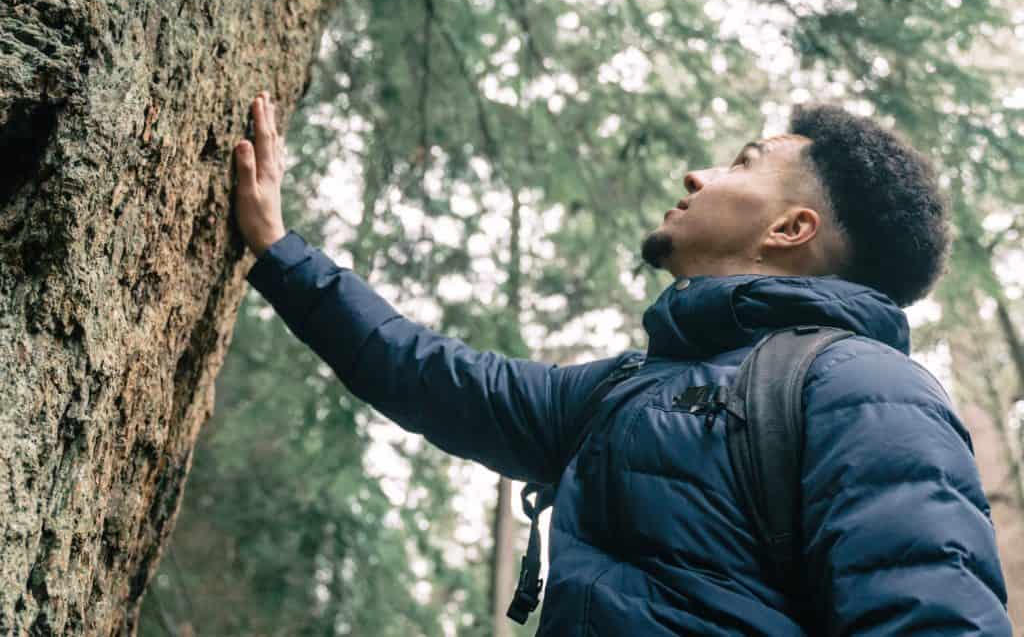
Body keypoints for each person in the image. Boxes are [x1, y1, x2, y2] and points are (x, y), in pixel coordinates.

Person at [233, 91, 1011, 635]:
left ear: (790, 227)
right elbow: (437, 378)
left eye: (740, 163)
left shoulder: (868, 388)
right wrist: (278, 249)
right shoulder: (623, 394)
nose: (697, 177)